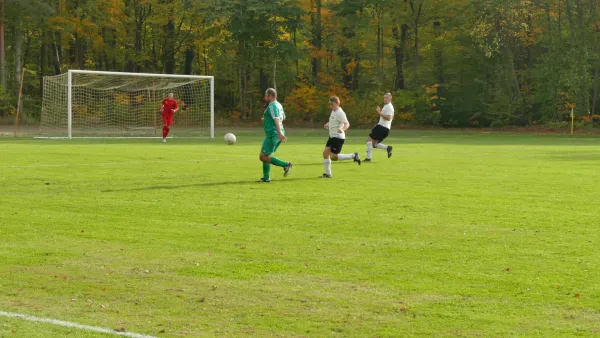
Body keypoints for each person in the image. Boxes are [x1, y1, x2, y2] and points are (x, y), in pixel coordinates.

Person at [321, 96, 361, 178]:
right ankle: (328, 174)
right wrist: (327, 124)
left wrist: (342, 129)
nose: (330, 106)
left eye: (332, 104)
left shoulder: (340, 112)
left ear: (337, 103)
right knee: (325, 154)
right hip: (332, 136)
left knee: (333, 157)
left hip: (338, 137)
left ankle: (354, 155)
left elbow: (347, 123)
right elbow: (333, 120)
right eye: (329, 104)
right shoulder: (334, 111)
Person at [258, 88, 292, 182]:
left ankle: (285, 164)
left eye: (266, 95)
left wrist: (279, 134)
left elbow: (277, 119)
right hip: (276, 133)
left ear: (270, 96)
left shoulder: (272, 105)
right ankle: (266, 178)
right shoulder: (279, 105)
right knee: (267, 155)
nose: (264, 97)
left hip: (273, 134)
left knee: (263, 156)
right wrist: (266, 120)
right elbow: (283, 117)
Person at [365, 92, 394, 161]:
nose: (385, 99)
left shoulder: (389, 107)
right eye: (384, 97)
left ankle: (368, 158)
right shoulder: (387, 106)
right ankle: (387, 148)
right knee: (375, 144)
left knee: (369, 140)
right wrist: (378, 124)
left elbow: (389, 118)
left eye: (386, 98)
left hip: (382, 127)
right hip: (385, 128)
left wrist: (379, 112)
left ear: (390, 98)